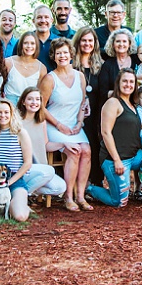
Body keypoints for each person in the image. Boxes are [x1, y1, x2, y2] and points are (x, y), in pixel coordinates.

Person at [39, 38, 92, 211]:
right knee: (74, 151)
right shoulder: (49, 78)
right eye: (58, 53)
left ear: (71, 54)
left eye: (65, 52)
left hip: (74, 124)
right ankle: (68, 196)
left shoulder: (80, 76)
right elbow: (41, 106)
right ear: (54, 56)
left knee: (86, 150)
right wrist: (59, 125)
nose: (62, 56)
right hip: (54, 125)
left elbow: (83, 103)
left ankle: (81, 196)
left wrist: (79, 122)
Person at [87, 69, 142, 207]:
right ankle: (88, 188)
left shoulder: (132, 104)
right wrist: (117, 160)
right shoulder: (113, 103)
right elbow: (105, 132)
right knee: (119, 202)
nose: (128, 84)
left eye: (132, 82)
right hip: (115, 159)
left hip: (134, 157)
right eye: (125, 81)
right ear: (118, 83)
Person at [0, 99, 33, 222]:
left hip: (14, 179)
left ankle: (20, 204)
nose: (3, 115)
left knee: (20, 216)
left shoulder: (20, 132)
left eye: (6, 112)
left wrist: (9, 182)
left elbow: (28, 163)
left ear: (12, 113)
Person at [17, 87, 67, 199]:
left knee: (60, 187)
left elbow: (46, 145)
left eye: (37, 99)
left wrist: (64, 144)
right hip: (23, 168)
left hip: (40, 169)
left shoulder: (41, 122)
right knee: (49, 171)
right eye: (30, 99)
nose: (34, 103)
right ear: (23, 102)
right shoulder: (17, 122)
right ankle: (21, 197)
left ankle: (23, 193)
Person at [72, 27, 105, 185]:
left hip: (95, 112)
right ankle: (76, 183)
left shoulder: (101, 65)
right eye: (84, 40)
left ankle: (95, 183)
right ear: (78, 42)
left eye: (90, 40)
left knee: (94, 145)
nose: (87, 43)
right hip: (74, 113)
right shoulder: (71, 64)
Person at [4, 31, 47, 105]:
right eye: (26, 43)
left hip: (29, 107)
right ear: (21, 45)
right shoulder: (8, 62)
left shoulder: (42, 68)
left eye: (32, 43)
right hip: (9, 106)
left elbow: (40, 94)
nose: (29, 46)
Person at [98, 28, 139, 106]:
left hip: (136, 105)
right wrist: (124, 93)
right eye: (118, 41)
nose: (121, 44)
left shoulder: (137, 60)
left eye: (124, 41)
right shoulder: (107, 65)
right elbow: (103, 93)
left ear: (129, 44)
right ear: (113, 44)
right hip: (114, 106)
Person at [33, 5, 59, 71]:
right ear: (33, 21)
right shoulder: (24, 42)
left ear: (52, 20)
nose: (43, 20)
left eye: (46, 17)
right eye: (39, 17)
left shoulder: (60, 42)